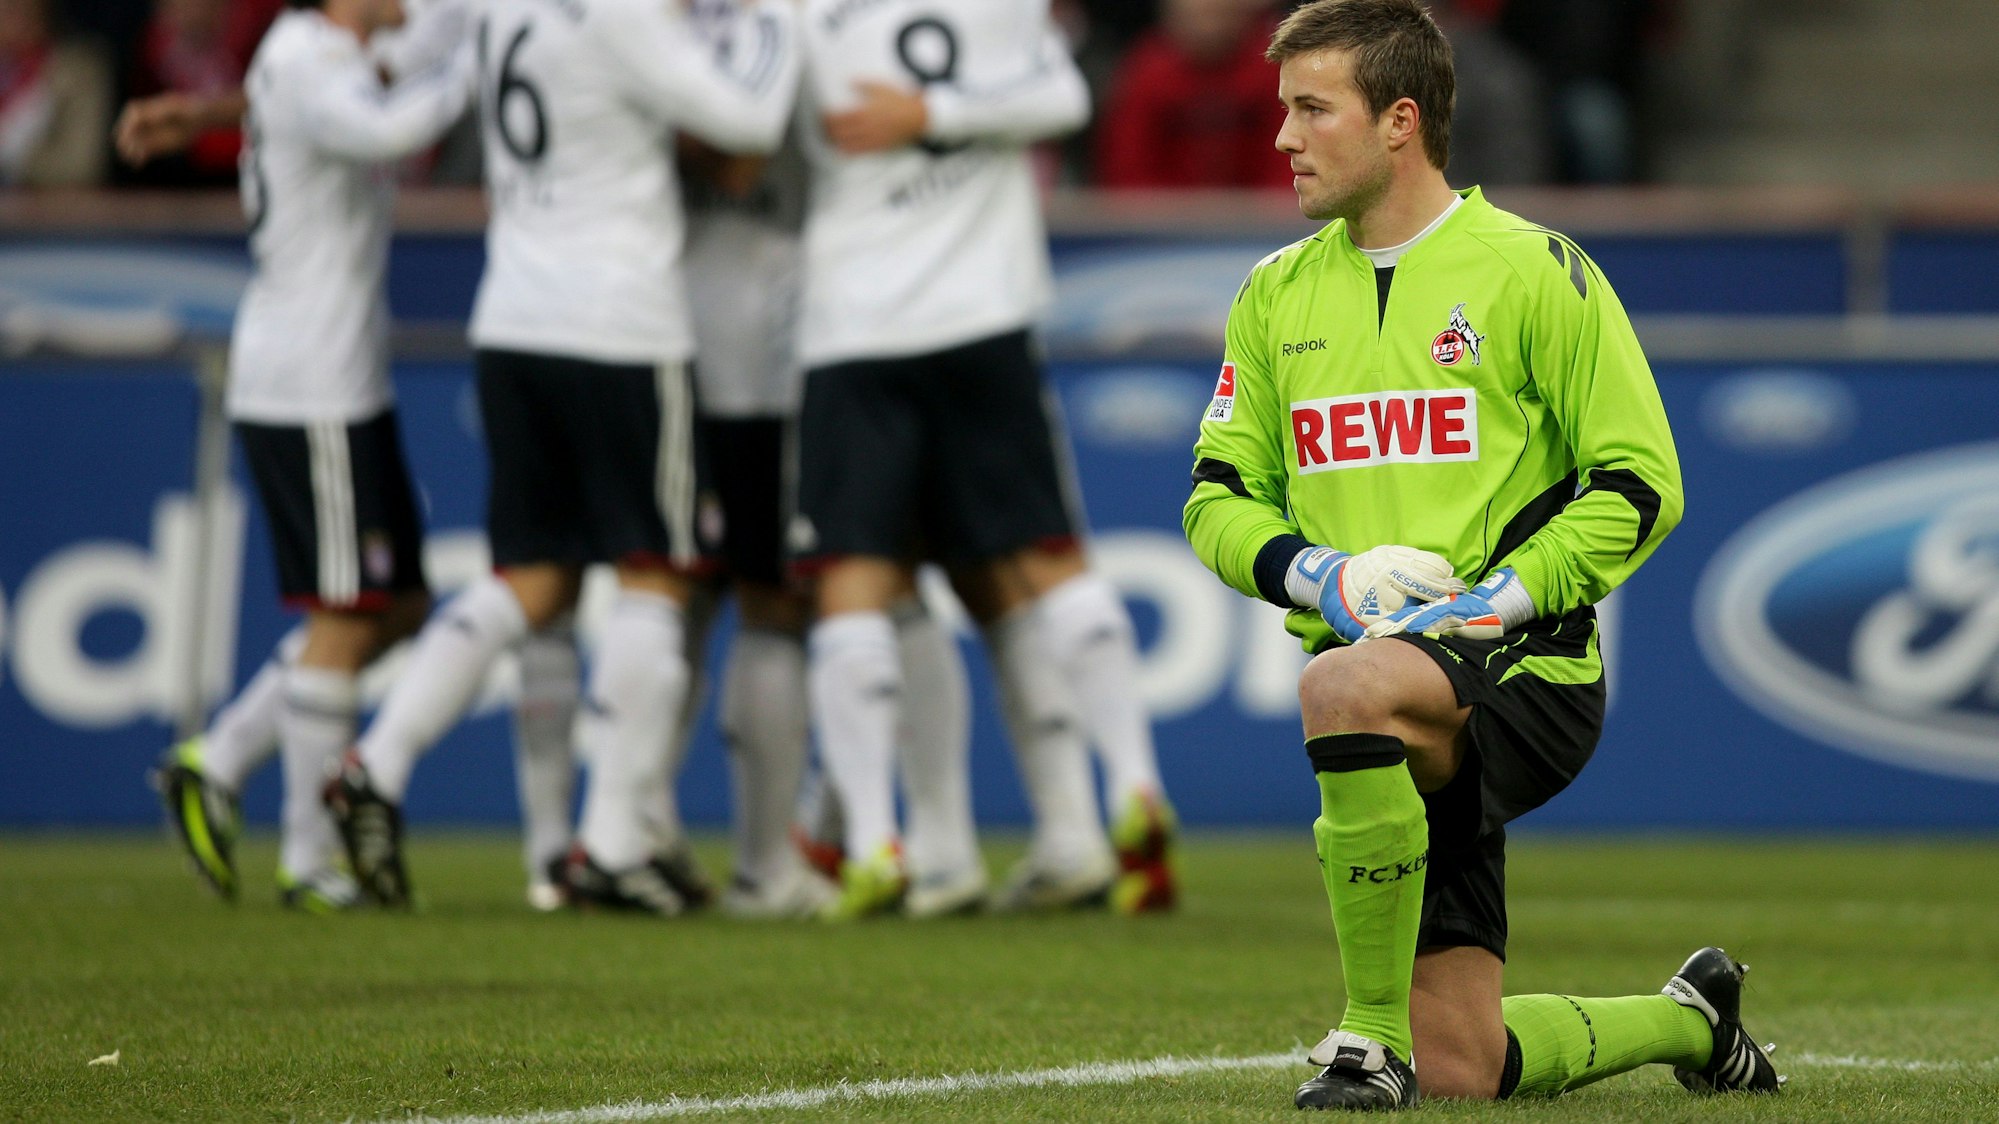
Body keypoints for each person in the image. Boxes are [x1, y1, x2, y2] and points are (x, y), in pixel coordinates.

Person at [1184, 0, 1778, 1109]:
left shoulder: (1533, 270)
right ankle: (1693, 1019)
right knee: (1466, 1065)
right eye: (1284, 111)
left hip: (1525, 667)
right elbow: (1217, 498)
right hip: (1398, 692)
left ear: (1399, 120)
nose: (1283, 139)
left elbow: (1640, 484)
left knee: (1342, 681)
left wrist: (1501, 597)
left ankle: (1364, 1044)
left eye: (1312, 110)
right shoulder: (1273, 293)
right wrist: (1323, 575)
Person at [323, 0, 802, 915]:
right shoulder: (622, 15)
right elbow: (748, 122)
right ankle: (613, 844)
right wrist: (777, 18)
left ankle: (377, 760)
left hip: (512, 317)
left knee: (534, 577)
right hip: (619, 323)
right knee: (658, 573)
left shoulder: (503, 9)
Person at [794, 0, 1178, 919]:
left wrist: (917, 117)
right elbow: (1062, 96)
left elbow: (749, 126)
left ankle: (880, 843)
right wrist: (952, 115)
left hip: (856, 324)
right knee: (1035, 558)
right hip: (986, 314)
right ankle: (1125, 789)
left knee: (856, 575)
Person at [151, 0, 475, 911]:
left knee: (399, 603)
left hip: (340, 377)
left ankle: (218, 759)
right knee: (346, 610)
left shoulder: (317, 51)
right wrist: (480, 65)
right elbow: (388, 126)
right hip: (310, 381)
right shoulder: (306, 57)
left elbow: (429, 41)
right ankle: (310, 856)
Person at [1092, 0, 1289, 190]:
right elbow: (1127, 171)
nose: (1208, 22)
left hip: (1261, 216)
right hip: (1162, 217)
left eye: (1217, 11)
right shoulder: (1146, 73)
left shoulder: (1275, 70)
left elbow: (1291, 163)